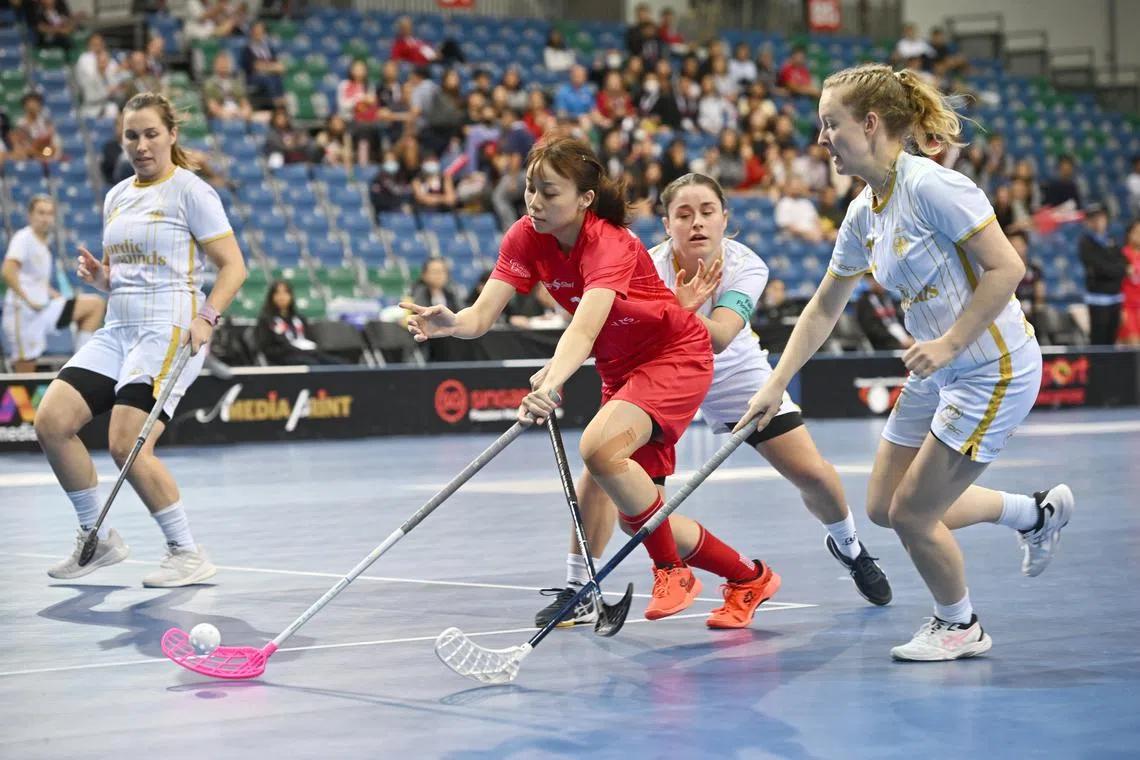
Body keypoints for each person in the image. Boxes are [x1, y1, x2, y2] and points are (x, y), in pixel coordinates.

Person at [735, 64, 1072, 661]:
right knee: (882, 506)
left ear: (869, 124)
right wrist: (775, 384)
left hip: (992, 368)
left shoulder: (932, 187)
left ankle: (959, 624)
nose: (821, 140)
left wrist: (948, 343)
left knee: (914, 516)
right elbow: (822, 307)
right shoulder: (865, 211)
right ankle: (1033, 514)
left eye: (830, 124)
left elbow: (1008, 268)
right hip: (939, 372)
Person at [404, 135, 754, 622]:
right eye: (529, 188)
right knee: (631, 510)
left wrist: (551, 382)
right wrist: (453, 323)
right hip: (621, 366)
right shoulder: (525, 236)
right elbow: (481, 316)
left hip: (673, 354)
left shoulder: (609, 243)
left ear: (585, 199)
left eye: (549, 192)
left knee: (597, 450)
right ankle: (748, 577)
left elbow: (584, 327)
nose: (534, 201)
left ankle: (672, 571)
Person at [534, 173, 892, 630]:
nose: (696, 223)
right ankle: (580, 587)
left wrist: (673, 312)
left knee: (811, 473)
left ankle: (849, 547)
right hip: (661, 373)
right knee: (615, 487)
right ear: (666, 224)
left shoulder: (747, 266)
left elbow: (721, 337)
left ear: (726, 219)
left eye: (707, 212)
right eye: (683, 215)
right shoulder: (643, 264)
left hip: (733, 377)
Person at [33, 92, 248, 587]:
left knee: (127, 443)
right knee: (51, 422)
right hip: (117, 328)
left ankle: (187, 552)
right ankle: (96, 539)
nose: (141, 144)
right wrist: (103, 280)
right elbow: (134, 273)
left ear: (171, 135)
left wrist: (208, 316)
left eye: (151, 133)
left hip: (169, 329)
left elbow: (234, 266)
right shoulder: (117, 196)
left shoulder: (191, 191)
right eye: (132, 135)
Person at [2, 195, 105, 372]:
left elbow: (36, 280)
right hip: (23, 314)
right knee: (24, 379)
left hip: (44, 309)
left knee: (94, 305)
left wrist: (55, 295)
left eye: (49, 214)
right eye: (41, 213)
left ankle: (80, 367)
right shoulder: (23, 238)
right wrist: (28, 300)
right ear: (30, 216)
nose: (45, 218)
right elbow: (7, 271)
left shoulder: (45, 244)